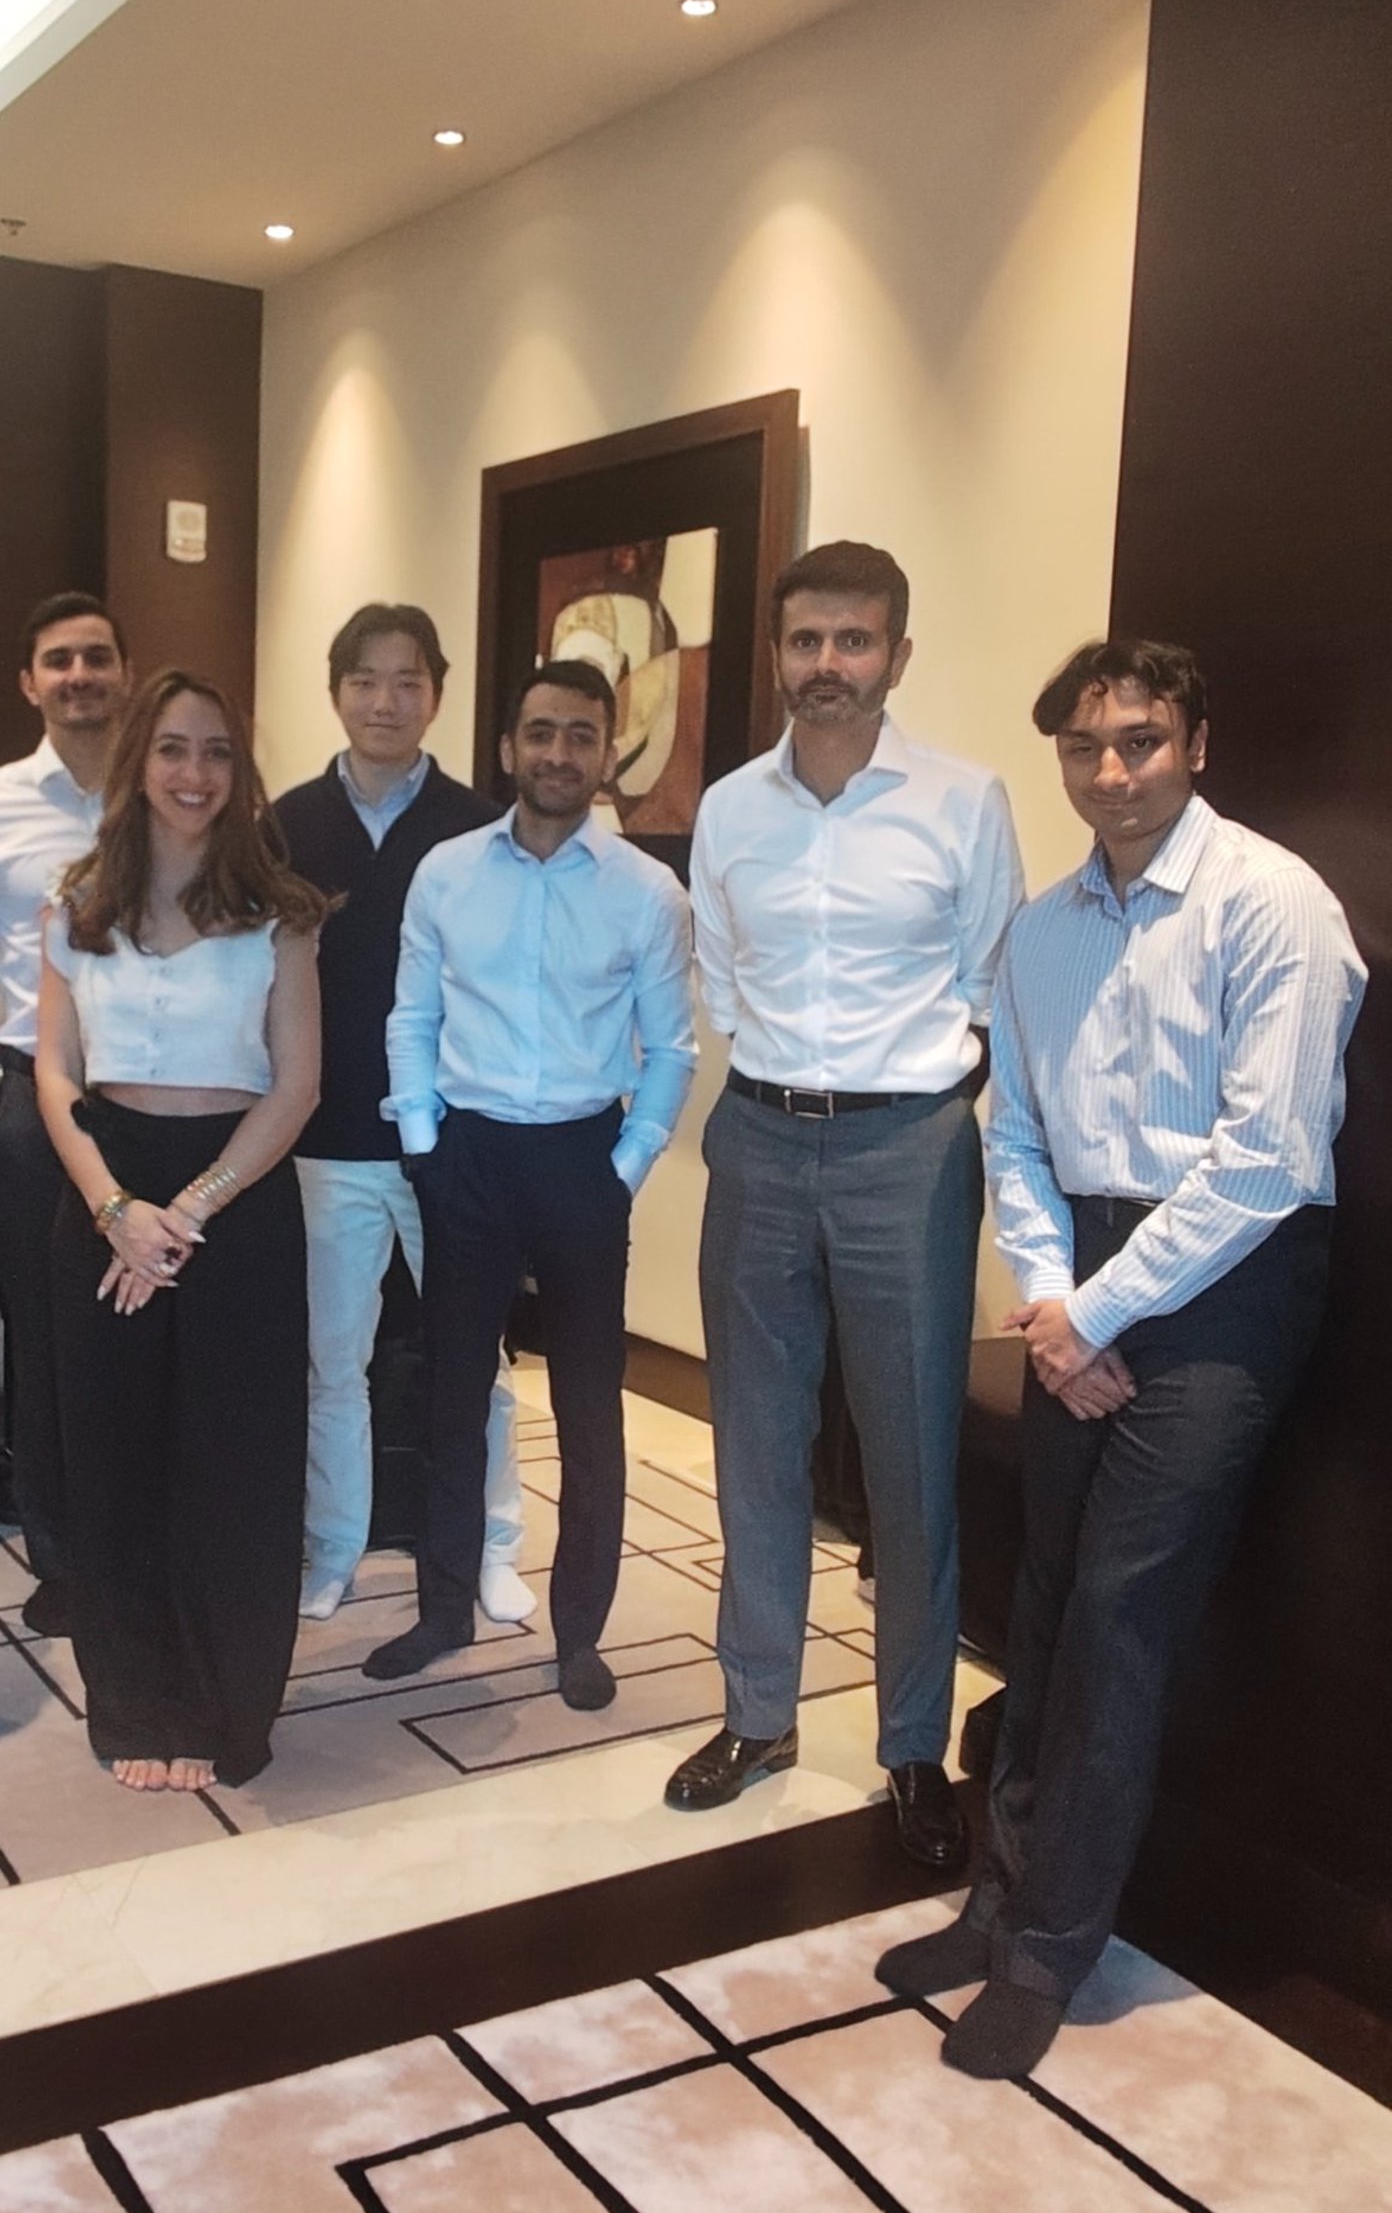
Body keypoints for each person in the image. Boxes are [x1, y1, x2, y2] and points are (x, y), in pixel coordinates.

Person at [879, 639, 1364, 2076]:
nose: (1112, 772)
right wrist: (1050, 1297)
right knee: (1040, 1597)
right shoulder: (1040, 930)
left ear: (1195, 743)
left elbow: (1269, 1160)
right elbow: (1014, 1133)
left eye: (1141, 741)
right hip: (1080, 1274)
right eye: (1086, 748)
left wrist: (1098, 1314)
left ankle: (1048, 1951)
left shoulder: (1275, 905)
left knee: (1121, 1613)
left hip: (1229, 1280)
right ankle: (998, 1895)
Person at [663, 540, 1024, 1869]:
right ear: (778, 653)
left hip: (907, 1152)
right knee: (752, 1442)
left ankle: (913, 1750)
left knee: (910, 1461)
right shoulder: (732, 807)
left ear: (898, 656)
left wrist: (905, 1101)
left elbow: (993, 979)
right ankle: (757, 1718)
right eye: (807, 641)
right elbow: (719, 971)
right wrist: (782, 1082)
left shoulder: (963, 800)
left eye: (855, 642)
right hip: (757, 1137)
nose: (828, 666)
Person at [366, 660, 696, 1707]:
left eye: (582, 736)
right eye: (541, 732)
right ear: (508, 746)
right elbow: (410, 1014)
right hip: (465, 1156)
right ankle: (441, 1607)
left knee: (591, 1408)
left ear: (608, 755)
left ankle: (578, 1632)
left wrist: (626, 1165)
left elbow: (672, 1049)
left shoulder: (648, 891)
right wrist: (423, 1138)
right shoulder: (447, 872)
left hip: (581, 1163)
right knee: (452, 1394)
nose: (559, 753)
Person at [38, 671, 326, 1790]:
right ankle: (134, 1700)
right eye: (171, 749)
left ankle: (225, 1706)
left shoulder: (281, 913)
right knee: (114, 1461)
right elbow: (56, 1074)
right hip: (105, 1190)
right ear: (137, 763)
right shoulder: (76, 904)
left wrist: (191, 1210)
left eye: (215, 751)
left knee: (235, 1465)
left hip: (236, 1202)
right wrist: (117, 1210)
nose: (194, 773)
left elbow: (296, 1087)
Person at [272, 602, 532, 1625]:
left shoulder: (480, 825)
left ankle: (494, 1543)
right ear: (335, 689)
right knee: (331, 1360)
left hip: (450, 1145)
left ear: (438, 690)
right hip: (323, 1140)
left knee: (486, 1362)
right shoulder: (284, 823)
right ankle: (332, 1546)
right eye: (366, 679)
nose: (386, 701)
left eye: (408, 681)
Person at [0, 592, 127, 1634]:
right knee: (44, 1342)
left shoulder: (176, 788)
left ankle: (142, 1540)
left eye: (96, 657)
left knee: (149, 1325)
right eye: (60, 661)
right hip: (31, 1102)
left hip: (162, 1100)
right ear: (29, 682)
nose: (79, 675)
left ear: (124, 672)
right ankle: (63, 1557)